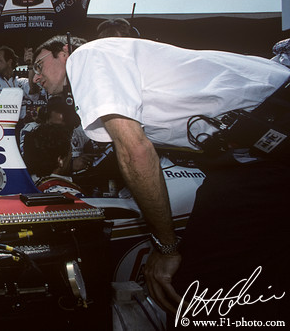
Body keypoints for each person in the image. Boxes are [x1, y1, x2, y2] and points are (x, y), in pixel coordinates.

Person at [31, 35, 290, 322]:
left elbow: (135, 152)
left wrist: (166, 247)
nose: (35, 77)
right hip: (257, 150)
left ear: (64, 51)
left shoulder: (88, 56)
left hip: (272, 125)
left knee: (195, 289)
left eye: (39, 64)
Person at [23, 123, 85, 198]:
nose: (71, 156)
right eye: (70, 153)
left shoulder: (28, 182)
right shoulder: (69, 194)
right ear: (60, 160)